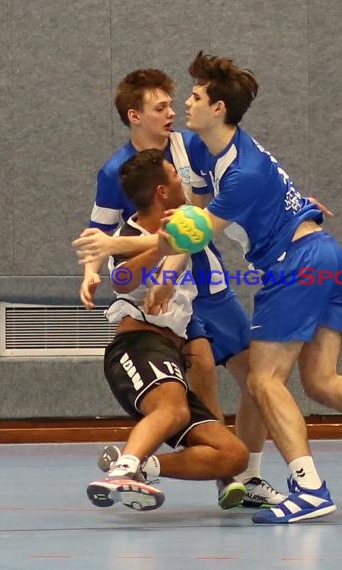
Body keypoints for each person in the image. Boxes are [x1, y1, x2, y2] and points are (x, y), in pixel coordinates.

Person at [74, 52, 342, 524]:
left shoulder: (238, 172)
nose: (182, 107)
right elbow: (197, 220)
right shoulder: (219, 155)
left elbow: (191, 233)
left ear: (217, 110)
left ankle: (308, 487)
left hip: (294, 264)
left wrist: (117, 244)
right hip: (325, 255)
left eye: (191, 97)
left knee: (262, 379)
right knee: (321, 381)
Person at [80, 68, 284, 509]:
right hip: (163, 295)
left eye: (175, 104)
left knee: (257, 380)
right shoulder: (117, 172)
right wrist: (91, 271)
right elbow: (101, 233)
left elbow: (230, 194)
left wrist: (291, 205)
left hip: (203, 280)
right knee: (200, 370)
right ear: (135, 117)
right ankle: (214, 474)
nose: (173, 112)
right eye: (161, 108)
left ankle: (244, 474)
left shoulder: (191, 144)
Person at [87, 148, 249, 512]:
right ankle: (121, 473)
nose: (182, 178)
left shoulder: (186, 225)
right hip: (138, 347)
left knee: (232, 453)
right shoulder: (131, 232)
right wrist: (159, 250)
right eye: (175, 175)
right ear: (162, 191)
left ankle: (141, 468)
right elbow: (124, 281)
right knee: (173, 411)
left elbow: (228, 212)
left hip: (172, 354)